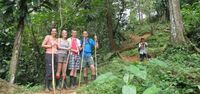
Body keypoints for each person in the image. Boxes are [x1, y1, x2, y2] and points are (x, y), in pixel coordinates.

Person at [41, 27, 58, 92]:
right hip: (49, 54)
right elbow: (42, 45)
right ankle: (46, 86)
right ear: (51, 32)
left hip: (55, 55)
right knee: (49, 70)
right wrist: (51, 46)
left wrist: (56, 44)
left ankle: (50, 86)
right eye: (53, 31)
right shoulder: (48, 37)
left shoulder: (56, 39)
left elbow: (57, 47)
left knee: (53, 70)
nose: (54, 32)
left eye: (55, 31)